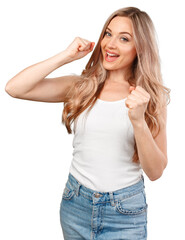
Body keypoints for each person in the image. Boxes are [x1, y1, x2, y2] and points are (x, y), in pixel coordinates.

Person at [5, 6, 170, 240]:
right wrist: (66, 56)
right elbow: (15, 88)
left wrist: (138, 122)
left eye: (124, 38)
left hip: (124, 213)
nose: (110, 44)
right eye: (108, 34)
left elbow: (155, 172)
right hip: (76, 204)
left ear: (140, 48)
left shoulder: (150, 97)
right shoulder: (82, 86)